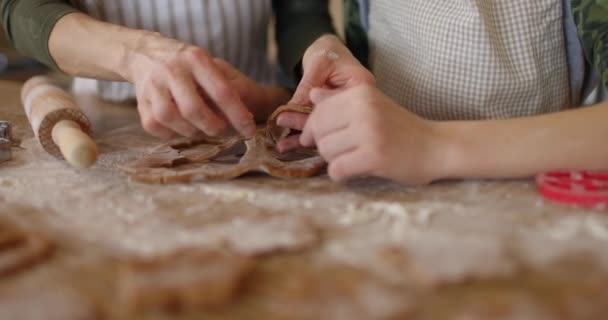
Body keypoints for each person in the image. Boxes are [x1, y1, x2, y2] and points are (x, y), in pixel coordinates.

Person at [275, 0, 608, 185]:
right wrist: (322, 45)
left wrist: (433, 147)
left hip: (534, 189)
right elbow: (303, 12)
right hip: (379, 187)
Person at [0, 0, 334, 139]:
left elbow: (301, 15)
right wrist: (137, 55)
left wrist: (320, 56)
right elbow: (20, 7)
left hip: (254, 116)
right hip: (109, 122)